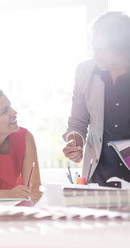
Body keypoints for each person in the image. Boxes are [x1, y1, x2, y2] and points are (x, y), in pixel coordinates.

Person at [63, 11, 130, 186]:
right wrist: (74, 140)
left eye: (103, 51)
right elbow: (77, 123)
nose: (96, 55)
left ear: (123, 48)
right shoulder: (84, 72)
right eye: (94, 49)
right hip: (97, 179)